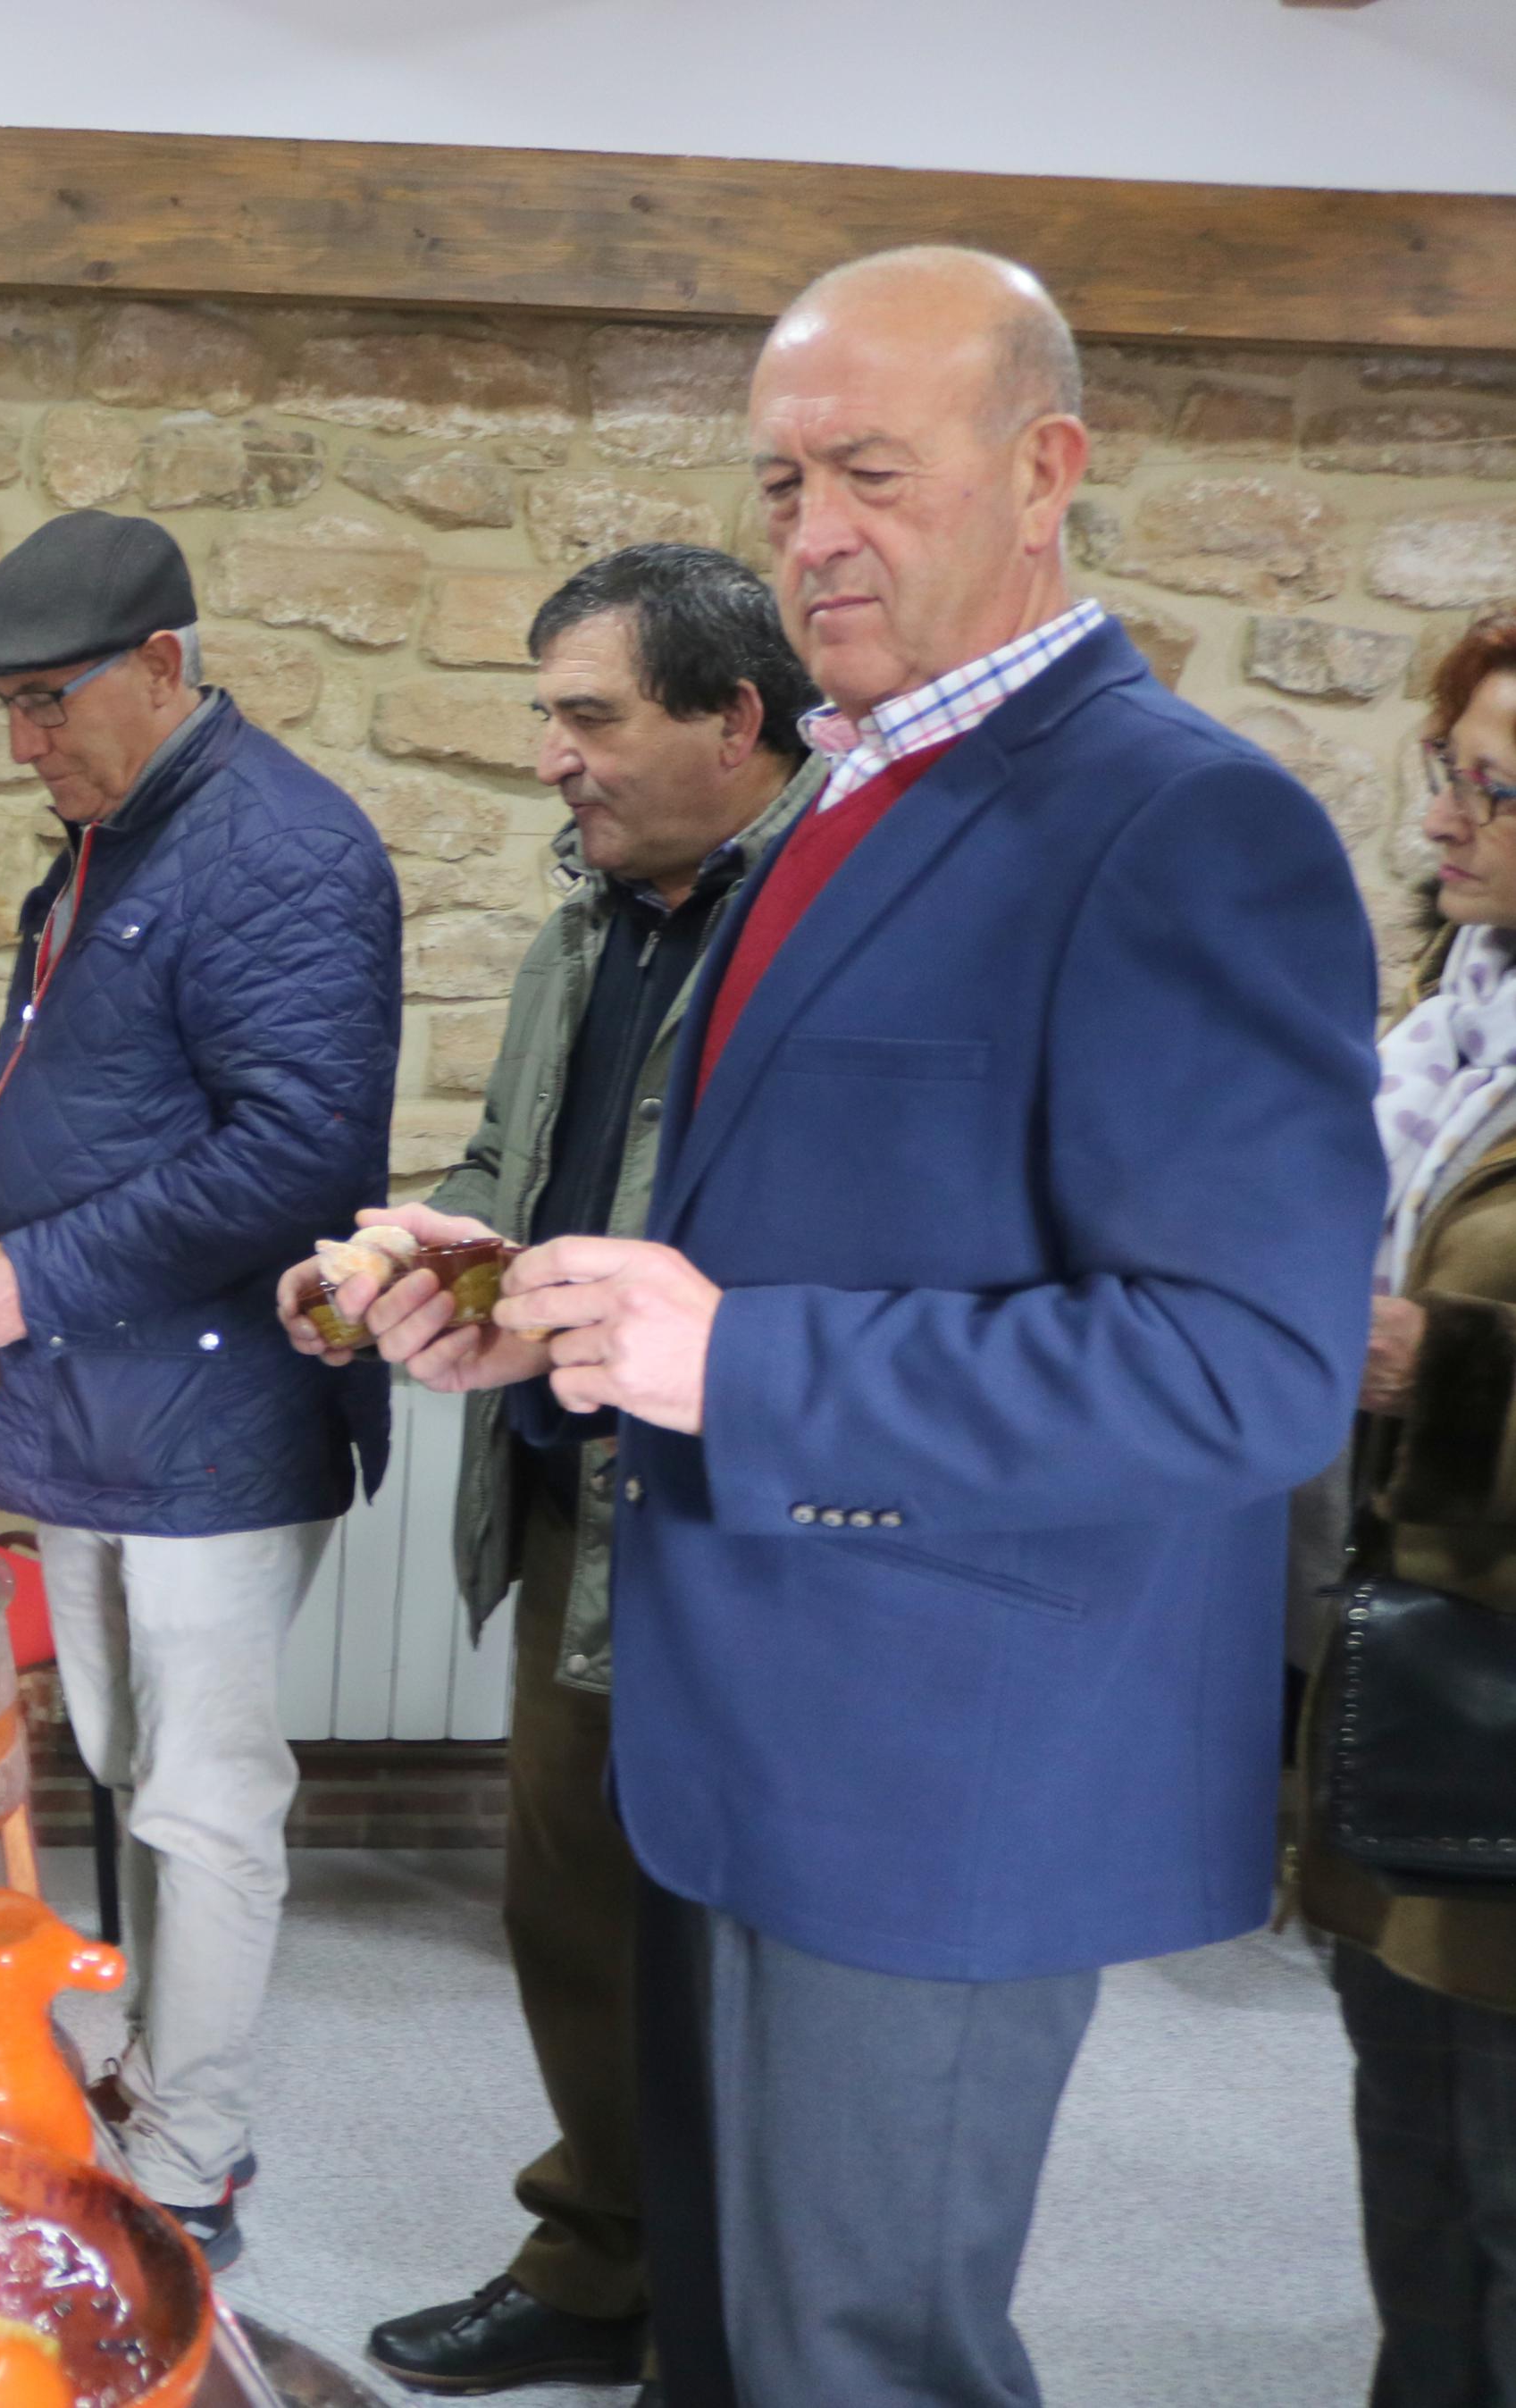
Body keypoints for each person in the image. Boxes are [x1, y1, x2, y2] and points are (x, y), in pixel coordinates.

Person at [345, 248, 1380, 2408]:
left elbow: (1245, 1367)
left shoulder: (1181, 820)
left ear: (1046, 471)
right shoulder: (849, 791)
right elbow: (789, 1229)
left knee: (857, 2353)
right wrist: (539, 1314)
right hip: (745, 1729)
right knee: (726, 2342)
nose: (812, 529)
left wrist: (739, 1365)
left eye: (874, 471)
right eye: (783, 475)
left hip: (947, 1760)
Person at [0, 509, 399, 2269]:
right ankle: (156, 2068)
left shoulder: (280, 849)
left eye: (45, 701)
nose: (24, 740)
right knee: (131, 1762)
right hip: (97, 1402)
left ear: (164, 661)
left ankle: (192, 2151)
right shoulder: (107, 835)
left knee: (205, 1792)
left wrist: (41, 1268)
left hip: (218, 1411)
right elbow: (114, 1091)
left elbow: (300, 1145)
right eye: (5, 708)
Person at [298, 544, 818, 2406]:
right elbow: (528, 1172)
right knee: (575, 1910)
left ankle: (745, 2312)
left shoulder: (830, 925)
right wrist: (404, 1260)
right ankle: (599, 2256)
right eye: (547, 716)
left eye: (587, 716)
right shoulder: (585, 928)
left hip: (738, 1527)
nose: (551, 760)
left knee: (735, 1961)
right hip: (561, 1497)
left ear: (734, 719)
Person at [1299, 608, 1516, 2408]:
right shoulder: (1457, 1024)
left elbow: (1452, 1341)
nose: (1443, 820)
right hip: (1427, 1693)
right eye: (1443, 773)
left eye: (1492, 788)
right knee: (1415, 2153)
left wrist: (1441, 1368)